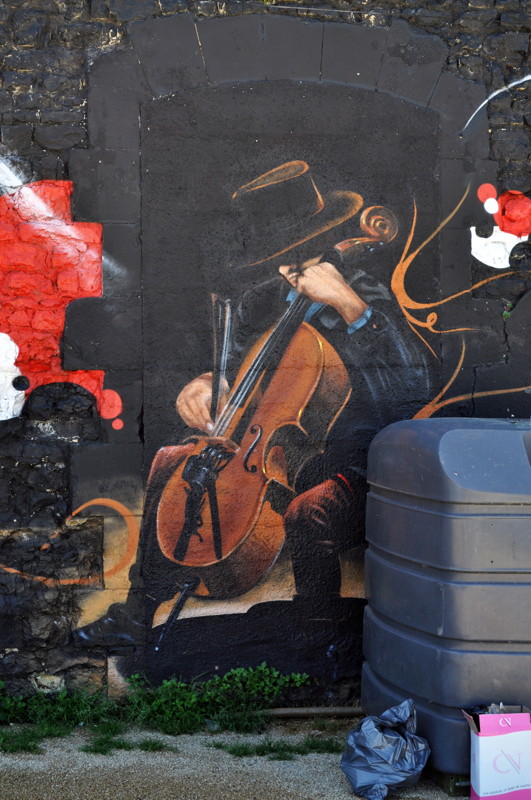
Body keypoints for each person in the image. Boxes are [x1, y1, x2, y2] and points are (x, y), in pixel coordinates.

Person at [74, 161, 431, 646]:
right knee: (173, 460)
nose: (288, 271)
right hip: (264, 452)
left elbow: (410, 387)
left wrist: (349, 305)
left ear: (325, 244)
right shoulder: (261, 303)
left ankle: (319, 635)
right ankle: (137, 613)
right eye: (280, 260)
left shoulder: (363, 293)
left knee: (309, 509)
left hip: (341, 456)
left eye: (298, 257)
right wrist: (205, 383)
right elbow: (234, 372)